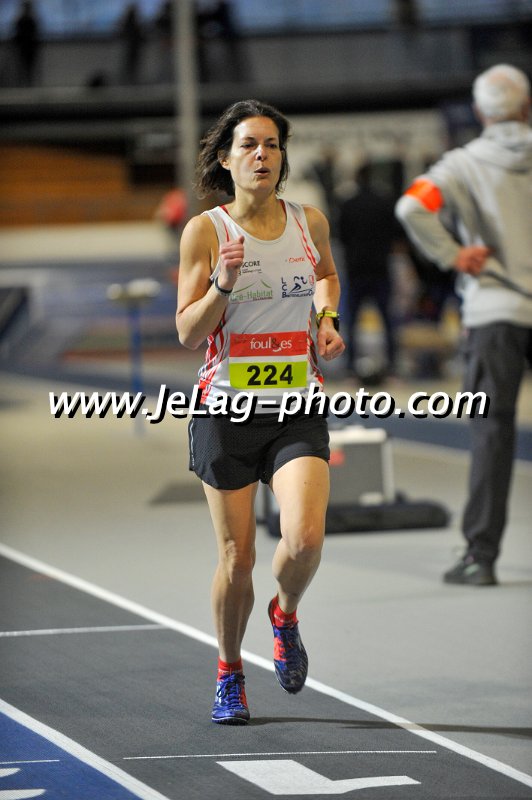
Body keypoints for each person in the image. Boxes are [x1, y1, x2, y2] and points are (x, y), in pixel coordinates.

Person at [176, 99, 345, 724]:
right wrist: (222, 284)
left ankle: (285, 615)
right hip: (225, 412)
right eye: (249, 145)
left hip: (296, 405)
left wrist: (326, 319)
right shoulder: (207, 232)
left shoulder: (309, 221)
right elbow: (188, 332)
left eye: (272, 145)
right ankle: (229, 672)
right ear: (226, 158)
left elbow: (326, 276)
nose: (262, 155)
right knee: (237, 558)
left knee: (304, 541)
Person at [395, 64, 532, 586]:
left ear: (479, 112)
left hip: (496, 311)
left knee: (492, 433)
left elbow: (412, 206)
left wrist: (453, 255)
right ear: (526, 107)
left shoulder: (461, 165)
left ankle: (480, 557)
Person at [338, 162, 399, 379]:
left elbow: (341, 236)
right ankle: (392, 366)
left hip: (355, 269)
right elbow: (395, 234)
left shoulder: (348, 204)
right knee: (387, 320)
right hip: (380, 268)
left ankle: (350, 367)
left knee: (352, 321)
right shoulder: (385, 202)